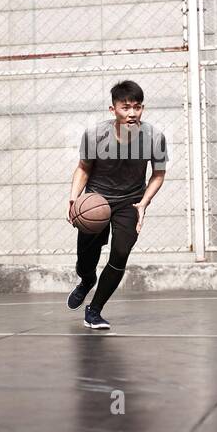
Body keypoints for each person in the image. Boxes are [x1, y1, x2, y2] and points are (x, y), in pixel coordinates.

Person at [66, 80, 168, 329]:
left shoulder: (154, 137)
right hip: (96, 201)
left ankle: (95, 310)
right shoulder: (95, 135)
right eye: (125, 107)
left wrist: (144, 203)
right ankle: (86, 280)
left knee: (120, 254)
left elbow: (158, 175)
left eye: (137, 107)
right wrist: (73, 197)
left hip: (130, 203)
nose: (132, 113)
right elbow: (83, 168)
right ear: (113, 110)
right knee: (85, 260)